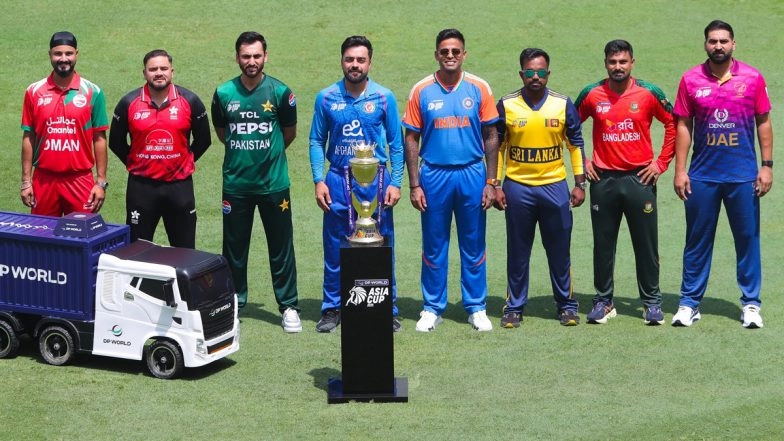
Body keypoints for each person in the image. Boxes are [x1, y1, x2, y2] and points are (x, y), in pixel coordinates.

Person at [672, 20, 772, 328]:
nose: (718, 46)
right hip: (702, 176)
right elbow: (684, 126)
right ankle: (689, 303)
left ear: (733, 44)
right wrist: (680, 170)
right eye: (713, 41)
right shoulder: (690, 80)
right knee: (697, 241)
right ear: (705, 44)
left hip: (743, 176)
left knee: (747, 239)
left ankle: (751, 304)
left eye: (724, 41)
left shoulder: (753, 78)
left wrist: (766, 166)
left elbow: (763, 123)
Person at [403, 28, 500, 332]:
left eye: (455, 51)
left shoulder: (479, 87)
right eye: (444, 51)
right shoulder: (421, 90)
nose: (450, 56)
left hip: (472, 173)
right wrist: (415, 184)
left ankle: (476, 306)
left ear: (464, 54)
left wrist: (491, 181)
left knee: (473, 243)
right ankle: (432, 307)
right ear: (436, 54)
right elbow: (411, 138)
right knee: (434, 244)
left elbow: (491, 135)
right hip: (434, 175)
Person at [575, 39, 675, 325]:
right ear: (605, 63)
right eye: (612, 62)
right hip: (603, 181)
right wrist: (584, 161)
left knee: (646, 244)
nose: (617, 67)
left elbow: (673, 123)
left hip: (639, 180)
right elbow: (569, 126)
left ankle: (652, 304)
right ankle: (604, 302)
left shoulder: (648, 93)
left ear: (632, 62)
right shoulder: (592, 94)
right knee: (603, 244)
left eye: (623, 62)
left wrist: (660, 163)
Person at [309, 36, 405, 333]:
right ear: (342, 61)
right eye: (350, 59)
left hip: (376, 181)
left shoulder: (384, 96)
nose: (355, 65)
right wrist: (318, 179)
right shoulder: (326, 97)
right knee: (336, 244)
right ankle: (332, 307)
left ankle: (386, 307)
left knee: (381, 243)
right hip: (338, 179)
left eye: (360, 60)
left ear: (369, 63)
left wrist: (397, 182)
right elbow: (315, 140)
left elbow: (396, 144)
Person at [210, 31, 301, 333]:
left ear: (266, 56)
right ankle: (234, 303)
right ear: (237, 57)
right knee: (234, 249)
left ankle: (288, 306)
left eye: (256, 56)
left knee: (281, 247)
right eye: (246, 56)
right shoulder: (223, 93)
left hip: (274, 186)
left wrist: (268, 154)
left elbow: (289, 132)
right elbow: (223, 133)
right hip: (236, 186)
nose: (251, 61)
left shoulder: (280, 92)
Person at [494, 48, 587, 328]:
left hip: (554, 187)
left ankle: (567, 305)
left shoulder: (562, 103)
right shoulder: (507, 104)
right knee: (518, 251)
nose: (536, 77)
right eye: (530, 72)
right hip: (518, 188)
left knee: (559, 250)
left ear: (548, 74)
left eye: (541, 72)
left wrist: (580, 182)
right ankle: (514, 307)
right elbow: (498, 147)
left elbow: (575, 144)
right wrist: (496, 184)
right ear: (522, 73)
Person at [109, 49, 211, 248]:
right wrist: (139, 163)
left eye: (163, 68)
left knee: (185, 251)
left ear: (172, 71)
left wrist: (182, 161)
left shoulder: (190, 101)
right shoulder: (129, 103)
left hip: (179, 189)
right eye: (153, 69)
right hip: (141, 189)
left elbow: (204, 140)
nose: (158, 73)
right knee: (136, 252)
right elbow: (116, 143)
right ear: (144, 73)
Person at [20, 31, 109, 216]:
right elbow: (29, 136)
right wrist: (26, 181)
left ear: (76, 54)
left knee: (81, 240)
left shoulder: (93, 92)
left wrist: (101, 182)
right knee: (42, 238)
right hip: (44, 180)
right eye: (57, 53)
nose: (63, 59)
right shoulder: (33, 91)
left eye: (68, 53)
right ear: (50, 54)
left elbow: (99, 138)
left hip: (80, 180)